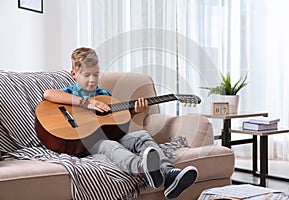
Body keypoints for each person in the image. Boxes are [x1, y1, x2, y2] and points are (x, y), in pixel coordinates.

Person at [43, 47, 198, 199]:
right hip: (82, 141)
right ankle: (142, 169)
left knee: (142, 135)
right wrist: (85, 103)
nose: (92, 80)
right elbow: (48, 94)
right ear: (74, 74)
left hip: (109, 135)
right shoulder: (70, 92)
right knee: (109, 145)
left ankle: (169, 174)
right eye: (86, 75)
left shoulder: (103, 95)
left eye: (96, 75)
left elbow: (115, 121)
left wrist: (133, 111)